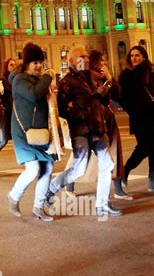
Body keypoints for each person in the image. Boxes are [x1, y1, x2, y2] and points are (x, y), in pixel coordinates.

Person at [45, 46, 123, 218]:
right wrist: (82, 106)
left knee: (107, 164)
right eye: (82, 57)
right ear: (72, 61)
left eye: (87, 57)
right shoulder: (66, 82)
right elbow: (63, 109)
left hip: (97, 127)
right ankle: (52, 187)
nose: (87, 60)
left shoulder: (93, 78)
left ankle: (102, 204)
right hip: (81, 130)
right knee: (78, 169)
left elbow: (106, 99)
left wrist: (103, 90)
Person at [65, 51, 131, 200]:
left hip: (108, 119)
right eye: (100, 60)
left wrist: (108, 76)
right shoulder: (86, 78)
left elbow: (118, 94)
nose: (103, 63)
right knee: (82, 155)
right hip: (92, 121)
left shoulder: (102, 76)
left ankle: (118, 189)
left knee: (114, 154)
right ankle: (68, 184)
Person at [7, 43, 55, 221]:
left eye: (40, 62)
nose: (39, 65)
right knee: (33, 169)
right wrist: (48, 78)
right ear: (27, 63)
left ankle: (38, 207)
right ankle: (13, 196)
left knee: (48, 168)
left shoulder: (39, 80)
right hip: (23, 134)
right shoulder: (19, 80)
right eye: (35, 62)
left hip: (40, 134)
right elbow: (34, 95)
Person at [118, 44, 154, 192]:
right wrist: (134, 111)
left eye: (137, 55)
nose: (134, 58)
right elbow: (122, 98)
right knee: (144, 147)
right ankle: (125, 170)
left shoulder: (150, 73)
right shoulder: (126, 75)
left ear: (143, 56)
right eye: (132, 55)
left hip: (153, 115)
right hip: (139, 118)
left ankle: (152, 179)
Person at [2, 57, 17, 141]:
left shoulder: (18, 78)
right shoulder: (4, 80)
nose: (14, 66)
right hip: (10, 111)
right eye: (11, 65)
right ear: (6, 67)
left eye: (15, 64)